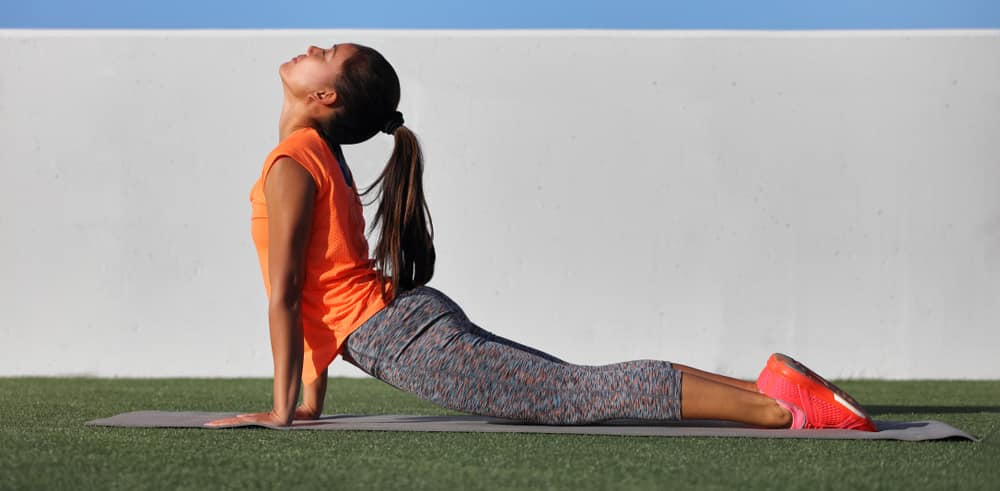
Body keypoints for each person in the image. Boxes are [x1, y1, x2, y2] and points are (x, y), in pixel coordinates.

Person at [206, 43, 877, 432]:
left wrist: (279, 408)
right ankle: (771, 386)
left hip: (401, 333)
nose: (312, 50)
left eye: (327, 55)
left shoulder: (294, 162)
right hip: (408, 319)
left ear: (329, 100)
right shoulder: (315, 157)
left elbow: (290, 295)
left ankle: (780, 413)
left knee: (573, 395)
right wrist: (309, 401)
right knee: (573, 383)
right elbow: (327, 284)